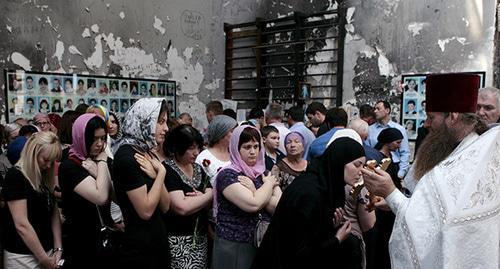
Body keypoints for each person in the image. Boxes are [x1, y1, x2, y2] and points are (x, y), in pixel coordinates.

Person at [362, 73, 498, 269]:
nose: (425, 124)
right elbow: (434, 210)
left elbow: (433, 229)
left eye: (430, 117)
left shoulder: (468, 162)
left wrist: (391, 193)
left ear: (452, 116)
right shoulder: (462, 147)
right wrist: (395, 202)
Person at [251, 137, 365, 269]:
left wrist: (331, 226)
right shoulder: (309, 192)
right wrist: (337, 239)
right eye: (357, 165)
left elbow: (314, 232)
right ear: (339, 162)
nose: (361, 171)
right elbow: (298, 249)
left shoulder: (329, 185)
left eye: (363, 165)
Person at [112, 98, 171, 268]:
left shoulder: (146, 152)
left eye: (165, 122)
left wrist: (157, 175)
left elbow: (166, 206)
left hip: (157, 243)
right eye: (160, 122)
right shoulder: (127, 157)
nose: (165, 129)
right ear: (144, 121)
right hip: (139, 250)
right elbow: (145, 211)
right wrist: (161, 174)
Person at [212, 125, 282, 269]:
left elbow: (280, 206)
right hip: (234, 244)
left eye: (256, 146)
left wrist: (255, 191)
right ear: (236, 149)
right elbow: (253, 205)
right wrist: (267, 186)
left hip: (261, 242)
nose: (253, 152)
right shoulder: (229, 175)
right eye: (247, 147)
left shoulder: (263, 172)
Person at [58, 114, 113, 268]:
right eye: (94, 139)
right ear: (81, 137)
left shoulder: (98, 159)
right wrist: (102, 162)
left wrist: (98, 170)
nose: (100, 144)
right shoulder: (70, 165)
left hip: (102, 237)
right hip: (80, 240)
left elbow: (113, 193)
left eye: (103, 138)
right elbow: (101, 196)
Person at [1, 132, 63, 269]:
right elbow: (22, 224)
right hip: (22, 257)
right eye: (45, 160)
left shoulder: (42, 176)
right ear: (32, 153)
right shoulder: (16, 176)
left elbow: (53, 212)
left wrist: (58, 248)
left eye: (52, 161)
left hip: (46, 251)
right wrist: (44, 259)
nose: (48, 165)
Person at [164, 125, 212, 268]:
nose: (196, 153)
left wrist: (202, 198)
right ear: (178, 147)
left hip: (201, 239)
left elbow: (211, 200)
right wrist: (208, 195)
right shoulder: (168, 169)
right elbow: (181, 207)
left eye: (198, 147)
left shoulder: (198, 168)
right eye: (191, 148)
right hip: (178, 240)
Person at [366, 101, 410, 179]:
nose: (375, 111)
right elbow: (367, 150)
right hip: (375, 168)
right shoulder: (370, 129)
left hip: (395, 167)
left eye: (378, 109)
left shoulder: (399, 129)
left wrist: (401, 173)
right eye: (374, 109)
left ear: (387, 110)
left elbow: (405, 153)